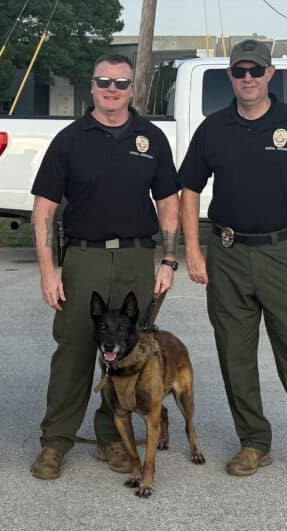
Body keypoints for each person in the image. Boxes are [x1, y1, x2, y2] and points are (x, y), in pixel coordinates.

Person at [177, 39, 287, 491]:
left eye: (256, 71)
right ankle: (254, 442)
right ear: (230, 77)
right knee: (235, 356)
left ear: (270, 74)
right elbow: (189, 189)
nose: (248, 78)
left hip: (283, 253)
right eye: (240, 71)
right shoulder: (214, 129)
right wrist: (193, 250)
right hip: (228, 255)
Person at [29, 53, 181, 480]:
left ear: (133, 89)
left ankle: (110, 437)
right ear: (92, 86)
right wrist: (48, 270)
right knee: (75, 350)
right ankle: (55, 442)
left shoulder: (151, 139)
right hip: (85, 257)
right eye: (103, 81)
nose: (111, 89)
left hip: (137, 257)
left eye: (121, 83)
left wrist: (169, 259)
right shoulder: (70, 140)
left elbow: (168, 203)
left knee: (129, 352)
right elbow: (43, 210)